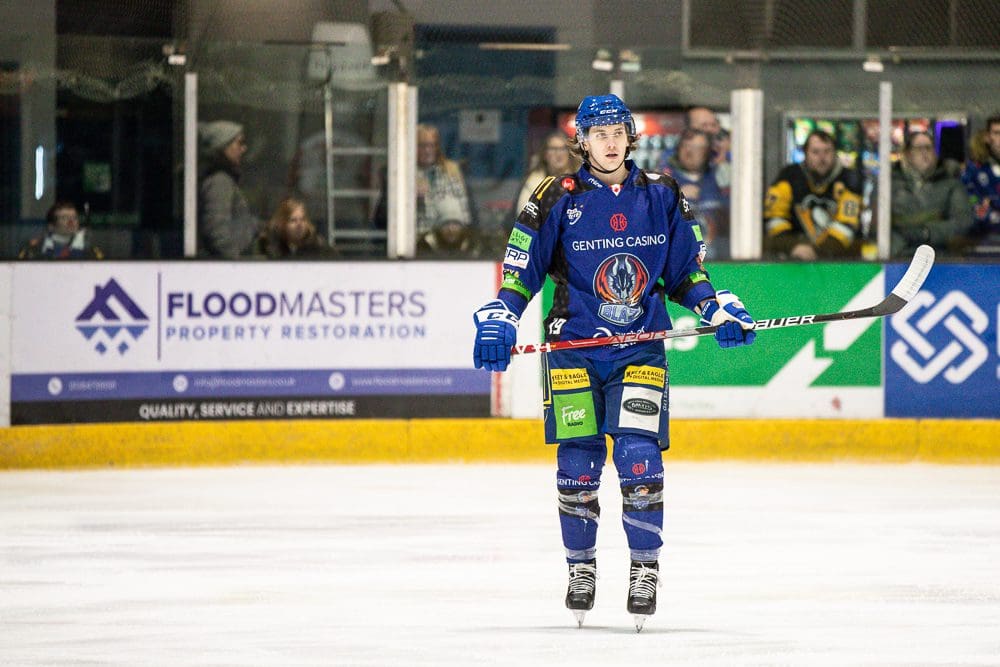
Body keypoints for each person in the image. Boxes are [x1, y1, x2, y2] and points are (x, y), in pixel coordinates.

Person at [470, 94, 756, 631]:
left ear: (631, 136)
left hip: (640, 349)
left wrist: (715, 307)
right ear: (582, 140)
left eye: (616, 131)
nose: (608, 141)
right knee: (577, 467)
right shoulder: (556, 195)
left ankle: (644, 569)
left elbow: (686, 274)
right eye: (597, 133)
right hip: (574, 351)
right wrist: (500, 316)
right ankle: (581, 569)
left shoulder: (664, 194)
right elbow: (520, 269)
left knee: (639, 458)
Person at [763, 129, 864, 260]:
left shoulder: (849, 179)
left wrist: (817, 253)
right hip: (793, 262)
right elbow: (774, 218)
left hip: (838, 264)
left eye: (827, 151)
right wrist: (793, 246)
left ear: (835, 153)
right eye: (815, 152)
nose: (822, 158)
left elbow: (847, 225)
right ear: (805, 154)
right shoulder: (788, 176)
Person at [890, 131, 972, 258]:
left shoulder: (951, 183)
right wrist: (899, 239)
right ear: (907, 153)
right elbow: (877, 225)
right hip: (897, 256)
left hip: (941, 257)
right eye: (918, 148)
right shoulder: (889, 184)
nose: (925, 153)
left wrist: (927, 233)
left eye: (928, 148)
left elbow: (963, 221)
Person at [198, 120, 262, 258]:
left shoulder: (225, 179)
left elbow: (240, 224)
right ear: (222, 146)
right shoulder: (219, 182)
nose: (244, 148)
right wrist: (235, 264)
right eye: (239, 143)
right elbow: (217, 234)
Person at [661, 128, 727, 259]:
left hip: (720, 259)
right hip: (679, 259)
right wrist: (675, 198)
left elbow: (733, 220)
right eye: (686, 146)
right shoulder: (663, 180)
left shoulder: (720, 176)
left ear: (708, 151)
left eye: (698, 147)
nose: (689, 151)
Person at [416, 123, 474, 255]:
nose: (428, 150)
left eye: (432, 145)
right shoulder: (403, 176)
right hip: (415, 247)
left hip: (448, 246)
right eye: (423, 145)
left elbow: (466, 215)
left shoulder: (451, 171)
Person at [515, 130, 581, 213]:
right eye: (553, 149)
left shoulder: (582, 179)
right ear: (545, 154)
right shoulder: (533, 183)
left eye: (563, 148)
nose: (558, 154)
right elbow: (525, 217)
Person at [961, 114, 1000, 254]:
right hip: (983, 241)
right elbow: (971, 202)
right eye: (997, 133)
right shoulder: (974, 170)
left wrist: (992, 202)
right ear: (988, 137)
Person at [252, 198, 336, 259]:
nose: (299, 224)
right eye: (293, 220)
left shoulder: (319, 246)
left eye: (303, 219)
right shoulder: (268, 246)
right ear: (282, 224)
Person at [17, 201, 104, 259]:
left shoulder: (89, 249)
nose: (71, 222)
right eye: (64, 218)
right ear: (51, 226)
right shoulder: (35, 249)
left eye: (74, 218)